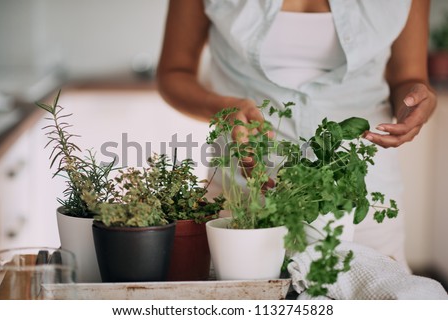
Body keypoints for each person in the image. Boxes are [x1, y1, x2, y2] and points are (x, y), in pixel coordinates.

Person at [156, 0, 437, 271]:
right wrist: (223, 109)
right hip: (244, 192)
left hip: (358, 195)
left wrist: (415, 102)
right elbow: (173, 73)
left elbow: (407, 76)